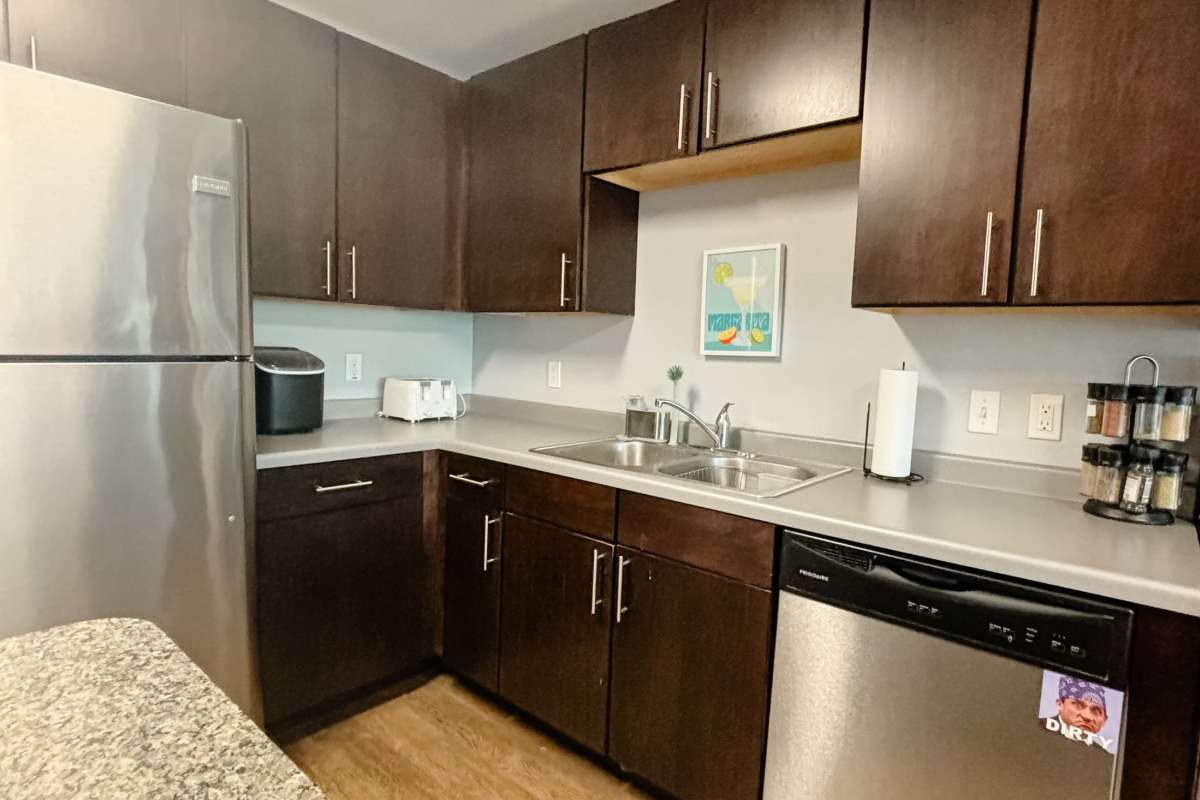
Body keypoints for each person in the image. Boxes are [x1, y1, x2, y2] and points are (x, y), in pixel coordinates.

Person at [1041, 676, 1114, 753]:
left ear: (1104, 720)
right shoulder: (1035, 727)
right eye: (1078, 705)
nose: (1087, 716)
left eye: (1096, 711)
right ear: (1060, 705)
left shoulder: (1102, 756)